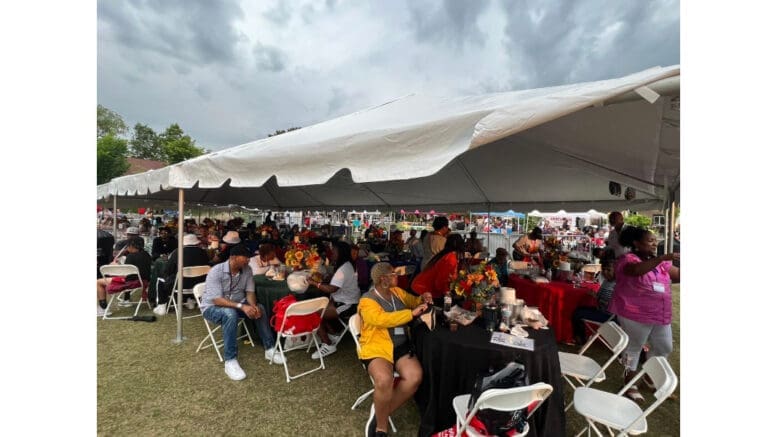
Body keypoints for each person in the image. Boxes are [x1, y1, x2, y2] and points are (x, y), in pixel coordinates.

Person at [359, 262, 432, 437]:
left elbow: (413, 301)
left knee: (414, 377)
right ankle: (381, 427)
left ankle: (379, 413)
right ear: (383, 279)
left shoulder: (397, 293)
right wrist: (411, 314)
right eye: (393, 274)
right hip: (377, 347)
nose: (397, 276)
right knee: (384, 379)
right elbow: (380, 319)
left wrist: (423, 298)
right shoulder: (367, 300)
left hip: (400, 346)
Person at [608, 226, 680, 402]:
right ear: (636, 243)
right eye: (650, 240)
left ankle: (650, 377)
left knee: (664, 347)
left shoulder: (659, 262)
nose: (655, 243)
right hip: (634, 313)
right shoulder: (626, 260)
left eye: (655, 240)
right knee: (633, 349)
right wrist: (662, 258)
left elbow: (677, 275)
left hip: (659, 314)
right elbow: (635, 271)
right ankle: (629, 383)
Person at [200, 244, 286, 380]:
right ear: (233, 257)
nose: (248, 260)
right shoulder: (216, 271)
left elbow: (250, 292)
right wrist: (242, 306)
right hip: (212, 308)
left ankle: (269, 349)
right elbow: (217, 300)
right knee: (230, 314)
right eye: (245, 257)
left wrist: (252, 306)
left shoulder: (247, 270)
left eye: (248, 258)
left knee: (260, 308)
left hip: (237, 304)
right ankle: (230, 361)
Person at [307, 240, 361, 359]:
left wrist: (315, 283)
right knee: (320, 306)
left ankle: (327, 344)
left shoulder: (343, 269)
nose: (332, 253)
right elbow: (337, 282)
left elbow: (332, 289)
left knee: (314, 314)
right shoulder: (347, 264)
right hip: (347, 300)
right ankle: (332, 333)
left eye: (334, 251)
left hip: (348, 305)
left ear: (341, 252)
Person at [154, 233, 211, 315]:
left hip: (181, 284)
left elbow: (168, 270)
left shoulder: (178, 252)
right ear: (196, 242)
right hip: (199, 284)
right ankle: (190, 300)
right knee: (189, 277)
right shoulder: (203, 252)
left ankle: (162, 305)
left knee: (160, 280)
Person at [571, 251, 617, 345]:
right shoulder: (606, 282)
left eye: (608, 270)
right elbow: (601, 297)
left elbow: (610, 304)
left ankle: (580, 339)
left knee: (578, 313)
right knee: (578, 309)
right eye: (603, 269)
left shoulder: (617, 284)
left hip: (609, 316)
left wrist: (596, 297)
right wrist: (595, 295)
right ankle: (580, 337)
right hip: (602, 311)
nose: (605, 272)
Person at [96, 237, 151, 317]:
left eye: (128, 246)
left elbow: (125, 275)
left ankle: (103, 309)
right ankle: (125, 300)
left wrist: (115, 265)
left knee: (98, 282)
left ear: (132, 246)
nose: (127, 248)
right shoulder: (147, 255)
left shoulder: (131, 256)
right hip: (143, 281)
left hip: (130, 281)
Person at [411, 234, 465, 306]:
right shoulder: (450, 258)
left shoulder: (445, 254)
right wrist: (447, 293)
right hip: (423, 290)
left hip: (421, 287)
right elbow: (440, 282)